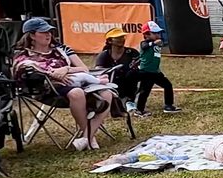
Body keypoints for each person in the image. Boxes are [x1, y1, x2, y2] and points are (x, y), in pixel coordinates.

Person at [12, 17, 116, 151]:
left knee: (107, 93)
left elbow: (83, 68)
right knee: (76, 93)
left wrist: (66, 69)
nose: (48, 35)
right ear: (32, 35)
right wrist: (51, 74)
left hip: (76, 82)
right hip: (48, 90)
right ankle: (90, 138)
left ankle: (87, 137)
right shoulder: (23, 56)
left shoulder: (61, 49)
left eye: (49, 31)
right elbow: (22, 74)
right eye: (43, 32)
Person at [134, 22, 181, 118]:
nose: (158, 35)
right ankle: (139, 110)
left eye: (158, 33)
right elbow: (144, 47)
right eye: (155, 33)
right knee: (145, 91)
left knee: (168, 85)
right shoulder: (145, 43)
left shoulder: (157, 44)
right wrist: (153, 43)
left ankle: (168, 106)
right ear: (146, 34)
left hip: (155, 72)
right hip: (146, 72)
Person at [94, 28, 140, 113]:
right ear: (110, 41)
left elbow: (141, 67)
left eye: (122, 37)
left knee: (133, 73)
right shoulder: (104, 55)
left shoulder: (132, 53)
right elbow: (98, 72)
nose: (121, 40)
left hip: (128, 84)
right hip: (111, 84)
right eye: (118, 38)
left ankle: (130, 100)